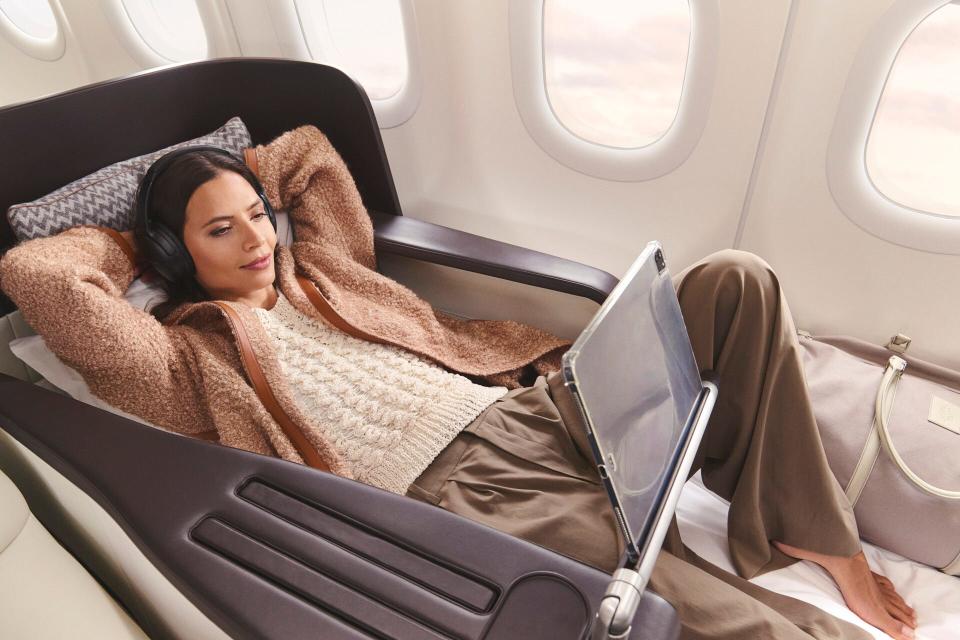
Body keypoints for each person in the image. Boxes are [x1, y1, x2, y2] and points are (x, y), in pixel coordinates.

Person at [0, 125, 916, 640]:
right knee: (714, 624)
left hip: (534, 409)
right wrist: (139, 235)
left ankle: (810, 535)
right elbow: (40, 277)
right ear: (172, 254)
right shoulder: (175, 361)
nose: (256, 243)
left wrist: (235, 181)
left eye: (257, 217)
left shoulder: (321, 267)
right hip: (464, 490)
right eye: (219, 233)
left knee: (739, 281)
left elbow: (310, 153)